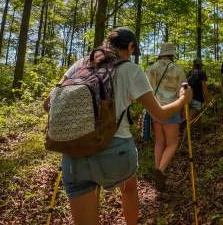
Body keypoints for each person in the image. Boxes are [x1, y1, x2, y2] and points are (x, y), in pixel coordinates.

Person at [45, 28, 192, 225]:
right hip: (115, 151)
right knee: (129, 188)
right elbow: (160, 113)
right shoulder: (130, 69)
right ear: (130, 46)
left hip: (74, 153)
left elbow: (48, 104)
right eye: (133, 50)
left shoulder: (81, 64)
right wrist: (183, 100)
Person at [145, 43, 187, 191]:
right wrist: (182, 109)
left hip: (155, 109)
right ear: (172, 54)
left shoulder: (151, 69)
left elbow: (146, 90)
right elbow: (182, 91)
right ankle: (161, 170)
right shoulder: (178, 70)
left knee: (159, 142)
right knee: (172, 143)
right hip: (171, 108)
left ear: (161, 53)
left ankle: (157, 168)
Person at [186, 58, 211, 125]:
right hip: (198, 100)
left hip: (188, 99)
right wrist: (208, 101)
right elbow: (204, 88)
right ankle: (185, 135)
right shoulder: (202, 73)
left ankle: (199, 134)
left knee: (196, 119)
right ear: (200, 65)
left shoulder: (189, 72)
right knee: (190, 122)